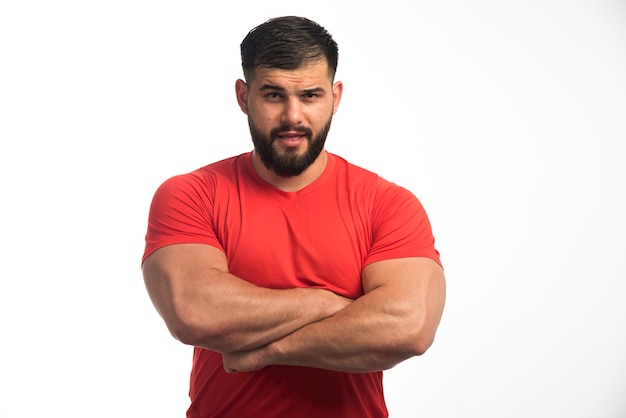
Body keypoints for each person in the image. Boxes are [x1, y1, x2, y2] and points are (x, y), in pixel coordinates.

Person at [141, 15, 446, 418]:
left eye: (310, 96)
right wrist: (328, 303)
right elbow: (195, 312)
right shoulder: (192, 195)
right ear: (242, 96)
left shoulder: (387, 204)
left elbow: (409, 327)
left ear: (335, 97)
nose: (293, 116)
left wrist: (265, 351)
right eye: (273, 95)